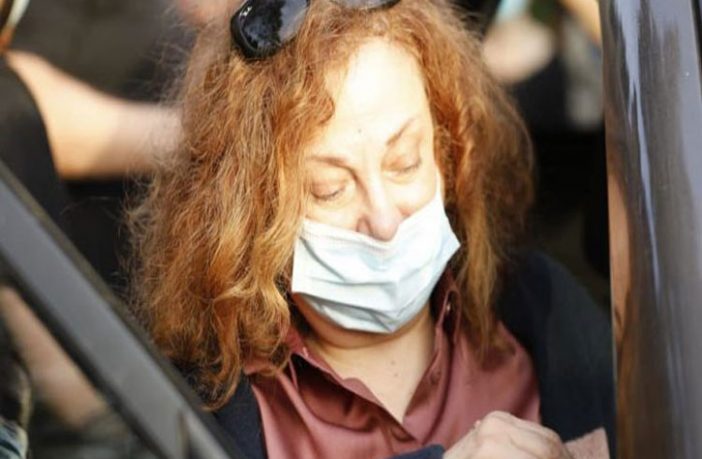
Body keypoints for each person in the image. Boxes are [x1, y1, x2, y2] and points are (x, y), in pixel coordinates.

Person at [130, 1, 614, 458]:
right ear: (255, 213)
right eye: (330, 189)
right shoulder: (209, 405)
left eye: (404, 163)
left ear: (448, 152)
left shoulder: (541, 310)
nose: (384, 221)